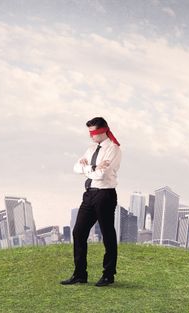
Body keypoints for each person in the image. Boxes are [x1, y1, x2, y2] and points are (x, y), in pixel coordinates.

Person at [60, 117, 122, 287]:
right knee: (78, 232)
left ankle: (108, 275)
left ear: (104, 130)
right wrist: (92, 168)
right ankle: (80, 274)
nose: (91, 136)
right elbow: (76, 168)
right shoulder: (91, 149)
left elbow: (101, 175)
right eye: (89, 132)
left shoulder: (113, 149)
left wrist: (87, 169)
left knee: (107, 234)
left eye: (93, 132)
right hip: (89, 195)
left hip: (105, 195)